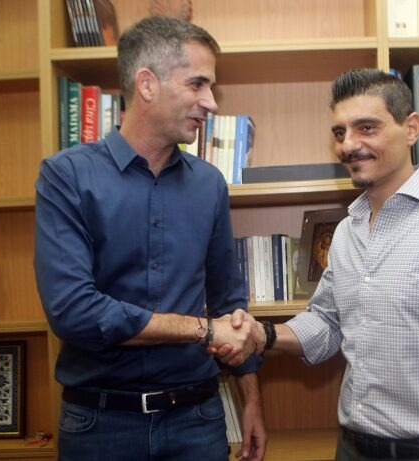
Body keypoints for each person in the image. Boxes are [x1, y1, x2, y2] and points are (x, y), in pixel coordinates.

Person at [216, 68, 419, 461]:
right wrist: (263, 334)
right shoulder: (346, 231)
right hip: (350, 449)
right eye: (340, 132)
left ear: (411, 128)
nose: (348, 145)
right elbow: (327, 322)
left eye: (366, 128)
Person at [34, 16, 266, 461]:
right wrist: (202, 330)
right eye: (197, 84)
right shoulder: (66, 177)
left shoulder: (210, 184)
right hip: (100, 426)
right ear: (146, 84)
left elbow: (228, 301)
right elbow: (74, 311)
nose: (211, 102)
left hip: (198, 419)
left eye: (211, 87)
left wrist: (251, 399)